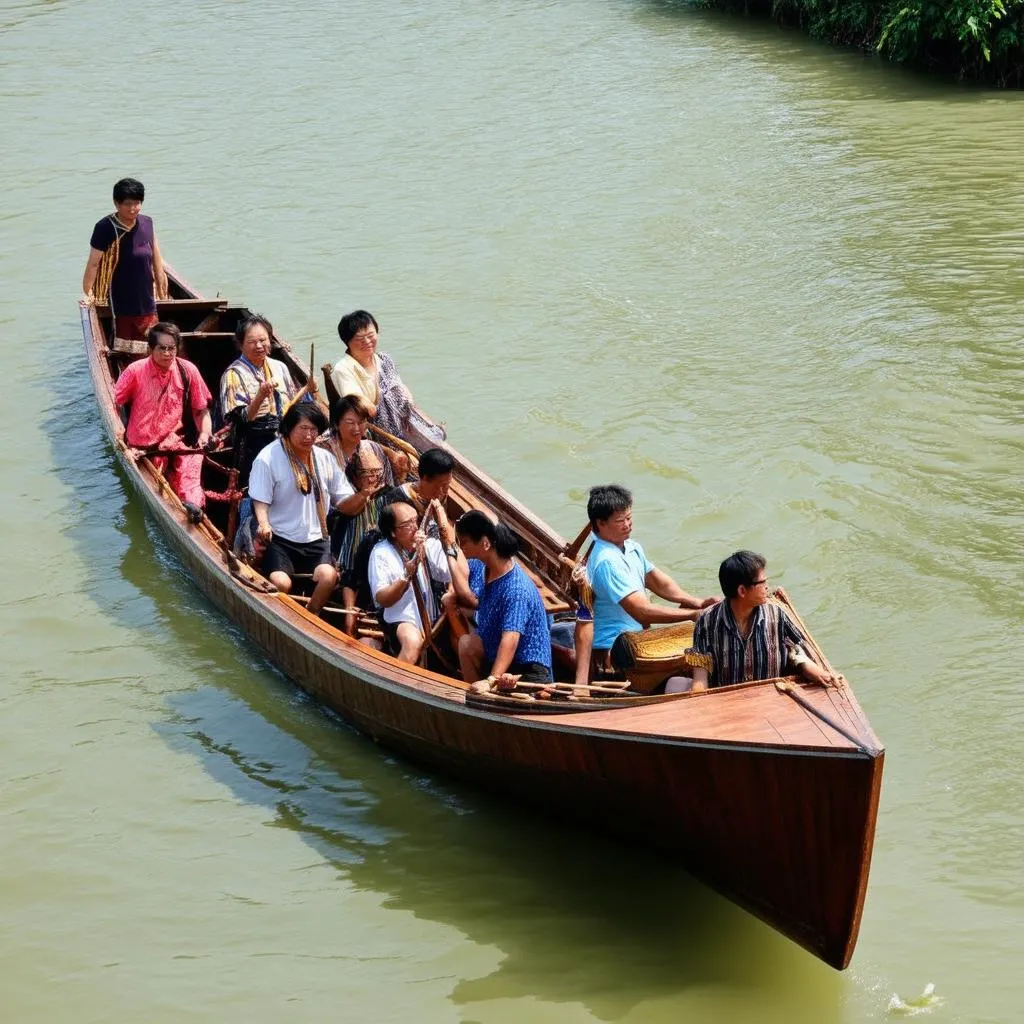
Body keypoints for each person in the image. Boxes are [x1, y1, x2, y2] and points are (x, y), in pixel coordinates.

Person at [574, 484, 717, 687]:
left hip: (639, 639)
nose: (628, 525)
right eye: (620, 521)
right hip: (615, 651)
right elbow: (641, 611)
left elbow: (657, 581)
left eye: (629, 518)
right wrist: (692, 615)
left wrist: (696, 601)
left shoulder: (631, 547)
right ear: (600, 524)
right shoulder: (607, 561)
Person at [248, 403, 355, 616]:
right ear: (288, 428)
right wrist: (264, 523)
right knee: (281, 583)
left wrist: (365, 496)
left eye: (314, 430)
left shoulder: (324, 458)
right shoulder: (268, 458)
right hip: (280, 539)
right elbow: (260, 499)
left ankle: (311, 614)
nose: (309, 435)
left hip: (316, 539)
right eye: (303, 429)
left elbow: (344, 499)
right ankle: (285, 618)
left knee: (329, 576)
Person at [689, 551, 840, 690]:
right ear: (742, 591)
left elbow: (798, 649)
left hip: (772, 699)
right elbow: (701, 672)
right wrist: (700, 699)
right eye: (762, 583)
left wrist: (816, 671)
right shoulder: (707, 621)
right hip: (729, 703)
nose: (767, 588)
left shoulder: (777, 614)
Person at [113, 322, 212, 523]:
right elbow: (114, 403)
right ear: (151, 349)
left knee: (190, 481)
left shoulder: (187, 370)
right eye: (162, 348)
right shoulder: (135, 370)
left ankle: (194, 511)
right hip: (141, 449)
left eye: (172, 348)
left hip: (173, 443)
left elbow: (201, 410)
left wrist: (204, 434)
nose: (167, 353)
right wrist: (123, 443)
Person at [451, 511, 552, 684]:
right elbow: (461, 571)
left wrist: (491, 680)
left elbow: (510, 638)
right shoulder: (483, 566)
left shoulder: (516, 590)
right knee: (466, 644)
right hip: (493, 649)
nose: (462, 547)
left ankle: (485, 693)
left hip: (526, 668)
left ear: (485, 544)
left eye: (465, 542)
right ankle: (476, 696)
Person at [219, 313, 315, 486]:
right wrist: (260, 397)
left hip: (284, 435)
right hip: (252, 443)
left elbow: (297, 406)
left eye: (263, 340)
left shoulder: (280, 367)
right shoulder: (233, 375)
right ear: (241, 345)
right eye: (251, 342)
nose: (259, 346)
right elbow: (241, 420)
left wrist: (311, 391)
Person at [368, 500, 464, 664]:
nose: (416, 527)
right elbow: (383, 599)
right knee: (412, 643)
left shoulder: (427, 544)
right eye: (407, 524)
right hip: (401, 618)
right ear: (393, 532)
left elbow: (456, 572)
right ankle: (393, 684)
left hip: (432, 620)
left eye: (416, 520)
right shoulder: (381, 553)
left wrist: (444, 531)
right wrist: (407, 575)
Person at [81, 178, 167, 340]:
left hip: (146, 293)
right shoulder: (105, 227)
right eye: (128, 204)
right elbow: (93, 264)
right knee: (125, 342)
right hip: (120, 296)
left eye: (137, 203)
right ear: (116, 203)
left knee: (151, 339)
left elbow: (155, 253)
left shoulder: (147, 222)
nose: (133, 209)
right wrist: (88, 292)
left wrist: (161, 280)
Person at [329, 310, 415, 439]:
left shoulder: (384, 360)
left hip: (398, 424)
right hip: (365, 432)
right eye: (359, 339)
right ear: (347, 341)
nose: (367, 341)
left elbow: (399, 387)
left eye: (370, 335)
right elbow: (360, 404)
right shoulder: (343, 369)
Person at [378, 447, 454, 536]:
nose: (443, 491)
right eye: (440, 485)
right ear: (425, 478)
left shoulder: (441, 494)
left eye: (447, 485)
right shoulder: (399, 498)